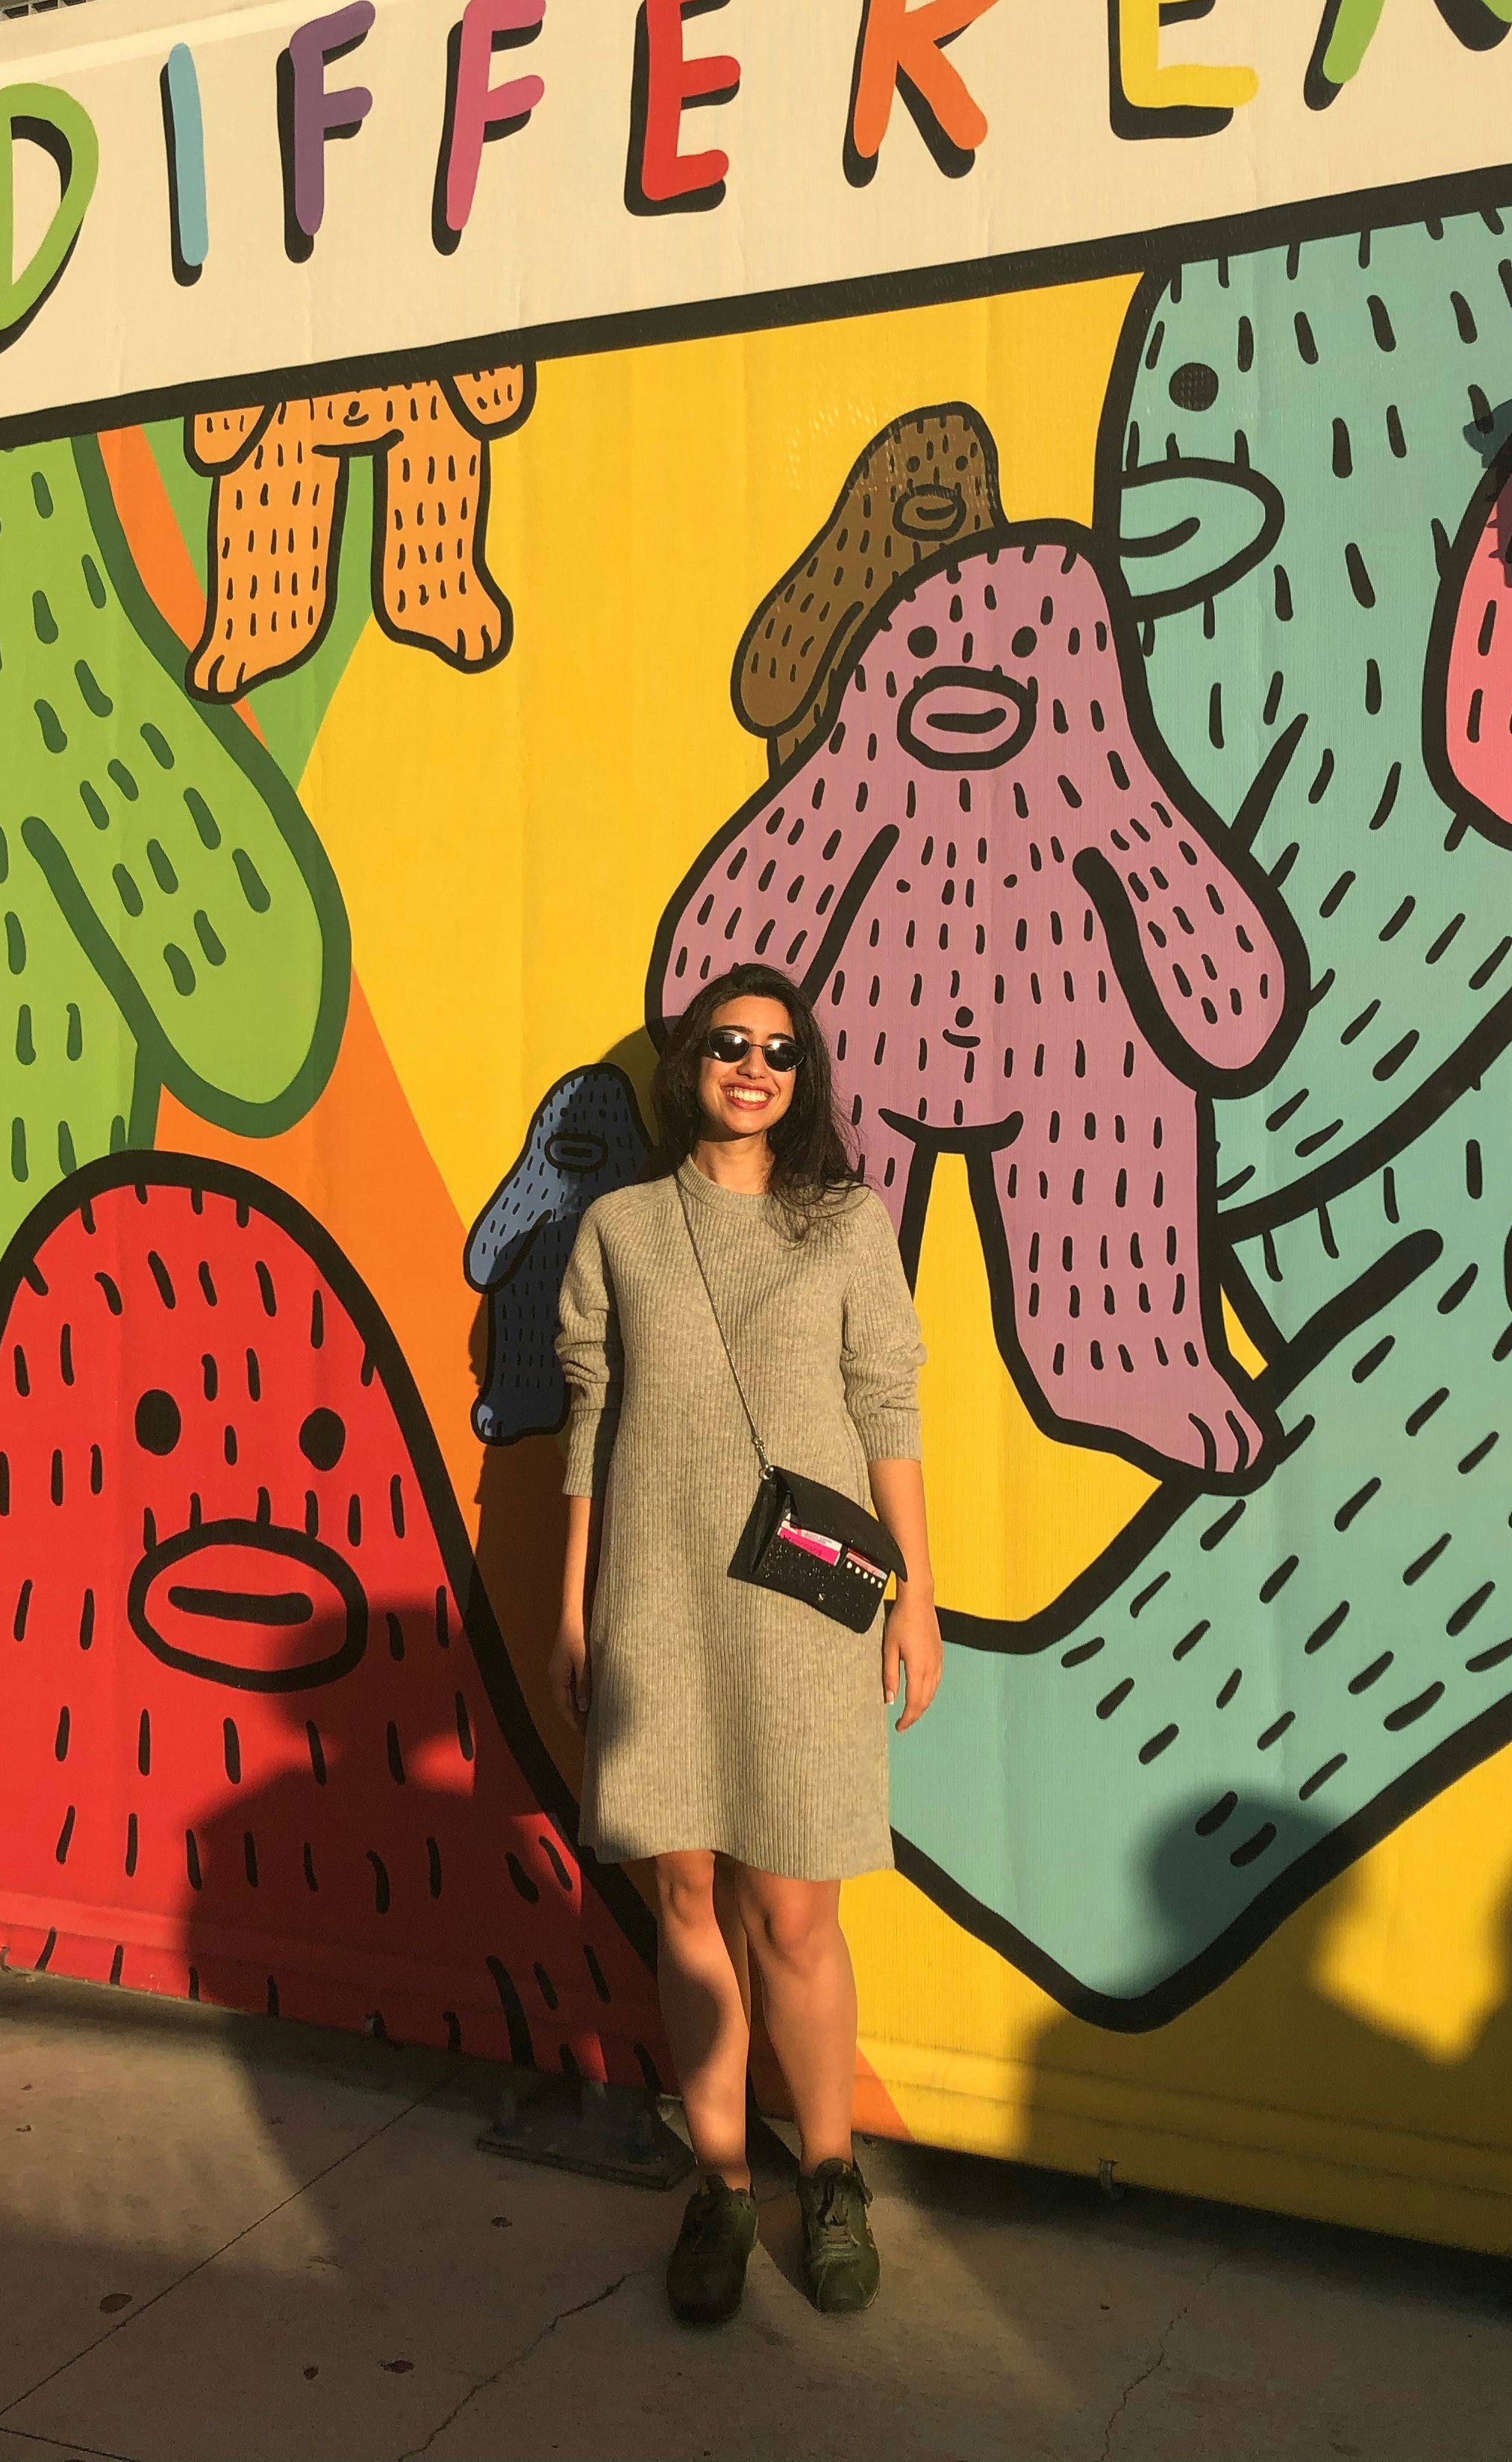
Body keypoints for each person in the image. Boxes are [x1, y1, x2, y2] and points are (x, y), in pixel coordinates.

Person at [549, 962, 940, 2325]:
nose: (754, 1066)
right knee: (687, 1904)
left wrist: (921, 1597)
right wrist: (573, 1598)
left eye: (781, 1049)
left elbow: (887, 1403)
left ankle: (828, 2179)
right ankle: (719, 2186)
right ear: (691, 1064)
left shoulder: (844, 1222)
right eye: (730, 1043)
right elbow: (590, 1416)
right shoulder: (621, 1229)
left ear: (803, 1076)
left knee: (796, 1913)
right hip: (655, 1596)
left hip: (799, 1606)